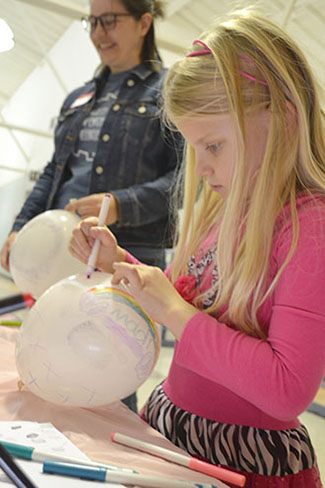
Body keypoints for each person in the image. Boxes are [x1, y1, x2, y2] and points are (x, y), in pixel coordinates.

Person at [69, 9, 325, 487]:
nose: (202, 169)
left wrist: (174, 313)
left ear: (283, 118)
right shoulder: (223, 206)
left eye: (214, 146)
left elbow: (288, 389)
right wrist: (117, 262)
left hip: (241, 463)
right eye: (195, 149)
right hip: (171, 430)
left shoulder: (309, 224)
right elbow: (191, 298)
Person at [1, 0, 183, 413]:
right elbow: (53, 172)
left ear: (144, 23)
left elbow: (184, 181)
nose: (99, 32)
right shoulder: (79, 96)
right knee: (50, 359)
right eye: (92, 21)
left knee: (108, 374)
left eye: (110, 20)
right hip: (62, 254)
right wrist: (21, 226)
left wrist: (121, 204)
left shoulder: (169, 90)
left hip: (127, 254)